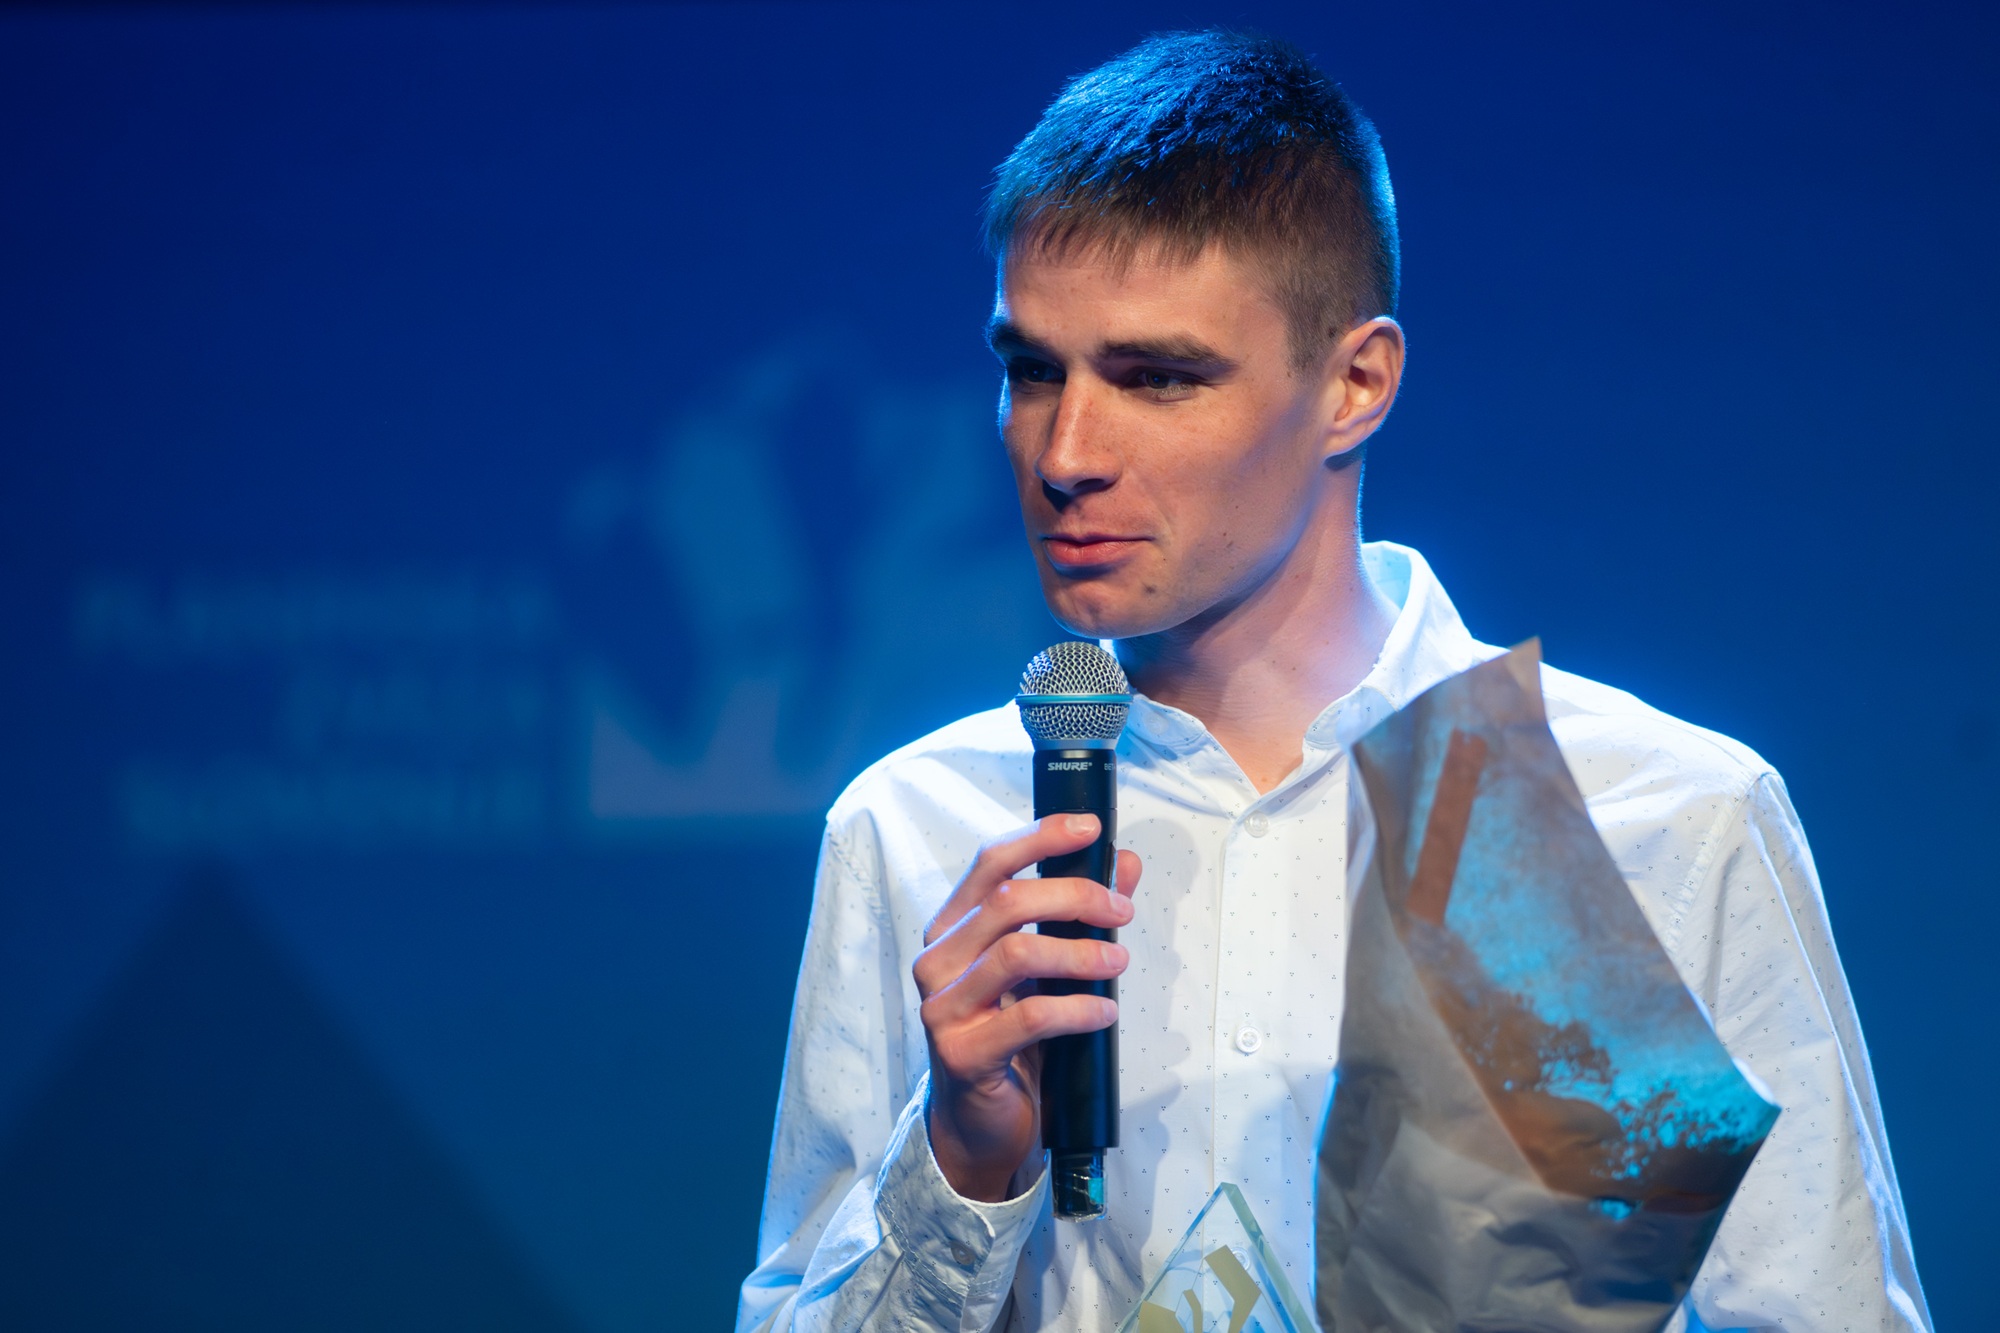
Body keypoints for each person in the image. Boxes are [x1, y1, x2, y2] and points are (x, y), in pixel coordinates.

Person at [736, 29, 1928, 1333]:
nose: (1065, 452)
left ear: (1355, 383)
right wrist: (962, 1163)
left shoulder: (1637, 824)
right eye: (1032, 371)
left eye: (1157, 378)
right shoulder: (920, 831)